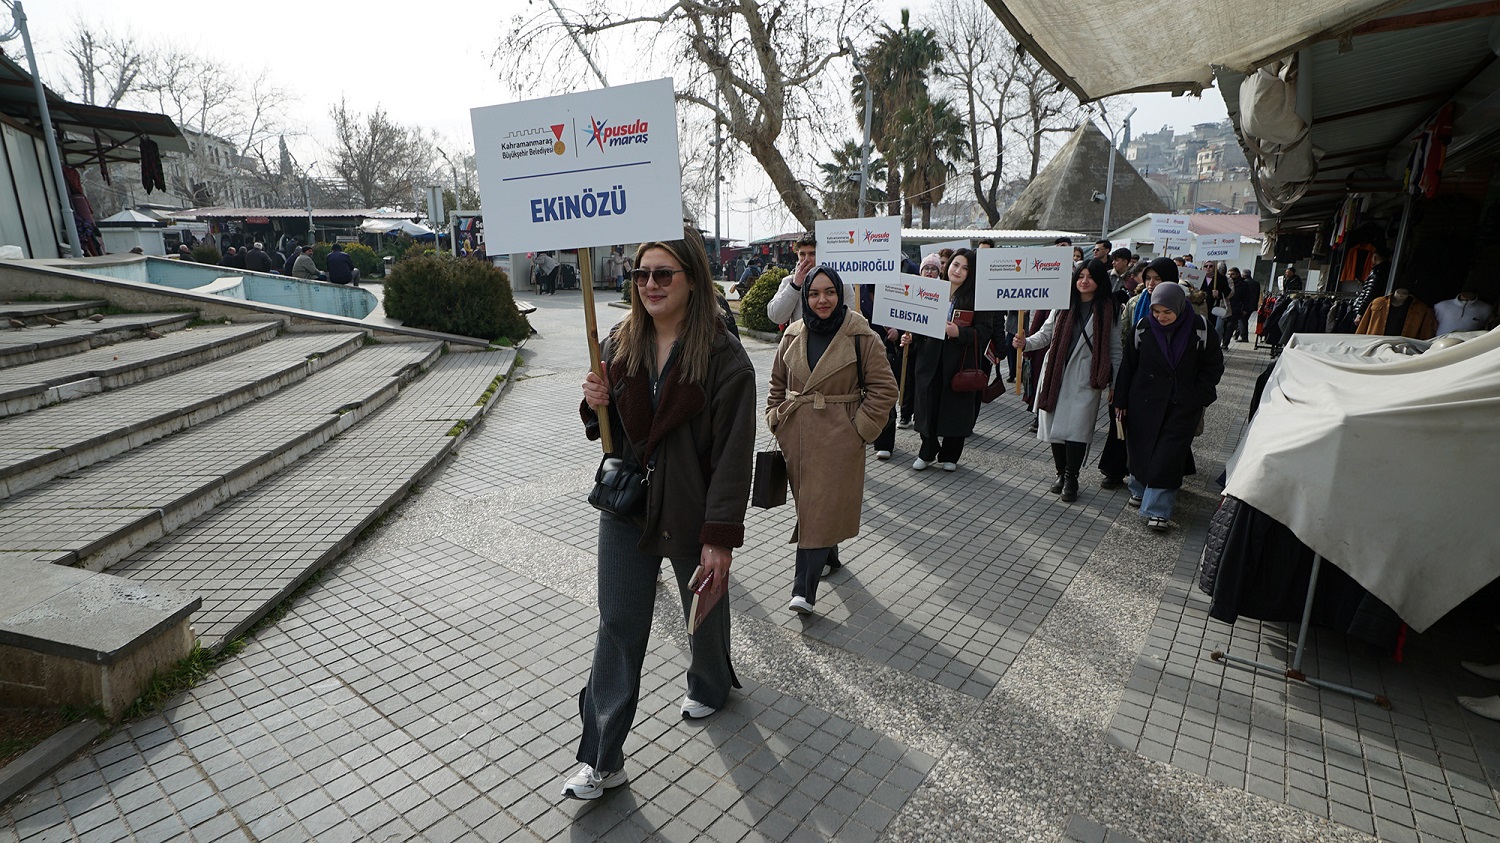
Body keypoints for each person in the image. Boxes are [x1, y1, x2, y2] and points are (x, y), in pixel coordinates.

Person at [568, 227, 757, 800]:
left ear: (693, 280)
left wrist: (719, 537)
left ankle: (711, 680)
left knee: (704, 607)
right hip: (627, 509)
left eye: (662, 274)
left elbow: (732, 455)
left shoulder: (725, 358)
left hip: (692, 509)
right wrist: (592, 403)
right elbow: (617, 432)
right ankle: (602, 757)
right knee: (618, 627)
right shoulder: (621, 340)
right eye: (641, 274)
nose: (649, 284)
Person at [767, 266, 897, 615]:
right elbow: (776, 384)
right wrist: (776, 418)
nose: (822, 300)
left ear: (840, 294)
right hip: (797, 437)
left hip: (840, 437)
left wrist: (860, 429)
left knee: (817, 508)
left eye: (829, 292)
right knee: (813, 506)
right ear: (805, 297)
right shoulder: (792, 333)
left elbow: (885, 389)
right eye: (813, 294)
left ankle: (802, 591)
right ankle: (831, 554)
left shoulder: (860, 334)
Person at [1113, 281, 1224, 531]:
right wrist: (1120, 400)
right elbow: (1128, 367)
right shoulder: (1143, 328)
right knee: (1142, 448)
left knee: (1168, 455)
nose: (1161, 317)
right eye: (1156, 311)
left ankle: (1158, 510)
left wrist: (1200, 395)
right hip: (1145, 402)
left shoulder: (1200, 328)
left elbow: (1213, 366)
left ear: (1179, 307)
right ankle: (1140, 487)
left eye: (1167, 312)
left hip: (1182, 404)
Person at [1015, 259, 1120, 502]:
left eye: (1090, 276)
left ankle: (1072, 477)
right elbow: (1046, 334)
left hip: (1086, 377)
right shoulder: (1063, 302)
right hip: (1055, 374)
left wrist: (1114, 383)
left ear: (1099, 281)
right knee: (1055, 429)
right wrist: (1025, 343)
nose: (1084, 281)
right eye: (1080, 275)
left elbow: (1115, 349)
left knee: (1077, 430)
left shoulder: (1109, 308)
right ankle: (1060, 473)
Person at [902, 248, 993, 471]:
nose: (958, 271)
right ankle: (927, 450)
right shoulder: (931, 289)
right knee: (926, 404)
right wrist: (910, 336)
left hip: (959, 361)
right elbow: (918, 319)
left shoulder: (977, 296)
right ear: (947, 266)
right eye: (955, 265)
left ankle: (950, 455)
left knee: (955, 407)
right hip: (929, 357)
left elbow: (985, 331)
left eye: (965, 268)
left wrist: (959, 333)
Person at [766, 232, 856, 326]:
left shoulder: (840, 282)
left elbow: (854, 318)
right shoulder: (789, 282)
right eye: (802, 254)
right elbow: (776, 317)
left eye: (812, 254)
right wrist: (795, 286)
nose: (806, 260)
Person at [1224, 266, 1259, 346]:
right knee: (1226, 326)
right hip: (1226, 307)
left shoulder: (1243, 284)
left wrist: (1244, 308)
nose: (1230, 276)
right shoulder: (1227, 283)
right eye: (1229, 274)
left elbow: (1246, 297)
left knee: (1231, 325)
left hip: (1236, 308)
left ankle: (1226, 343)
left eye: (1232, 274)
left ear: (1238, 274)